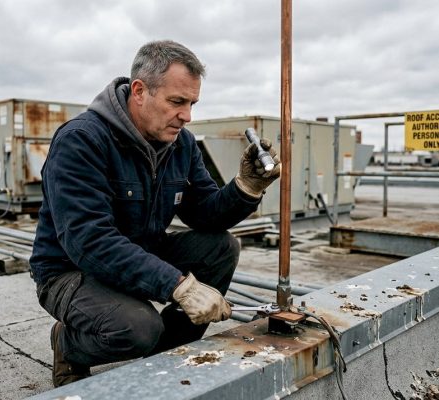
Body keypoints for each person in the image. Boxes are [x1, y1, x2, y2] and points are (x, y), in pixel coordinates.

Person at [29, 40, 281, 388]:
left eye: (192, 103)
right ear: (139, 91)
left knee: (221, 248)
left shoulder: (182, 144)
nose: (187, 115)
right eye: (177, 102)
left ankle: (166, 356)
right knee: (138, 327)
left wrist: (246, 188)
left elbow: (204, 213)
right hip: (70, 271)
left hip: (140, 254)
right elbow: (89, 241)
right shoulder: (82, 141)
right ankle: (69, 344)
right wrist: (178, 286)